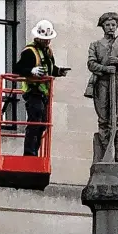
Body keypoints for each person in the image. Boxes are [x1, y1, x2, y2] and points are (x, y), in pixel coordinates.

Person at [14, 19, 70, 156]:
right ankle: (29, 152)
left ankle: (35, 150)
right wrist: (31, 71)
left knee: (43, 123)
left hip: (44, 93)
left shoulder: (48, 52)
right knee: (35, 120)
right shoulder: (29, 52)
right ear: (37, 37)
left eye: (48, 39)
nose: (47, 41)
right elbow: (18, 68)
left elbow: (49, 68)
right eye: (45, 39)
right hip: (33, 91)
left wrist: (59, 71)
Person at [85, 12, 118, 162]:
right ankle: (106, 153)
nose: (111, 27)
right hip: (102, 82)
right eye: (108, 25)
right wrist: (105, 68)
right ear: (103, 27)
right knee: (104, 119)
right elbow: (91, 64)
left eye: (113, 25)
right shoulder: (95, 45)